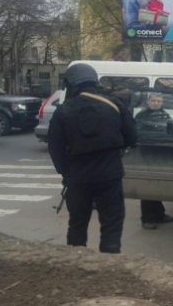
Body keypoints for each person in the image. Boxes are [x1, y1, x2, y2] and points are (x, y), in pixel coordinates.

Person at [48, 63, 137, 254]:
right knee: (111, 224)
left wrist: (67, 173)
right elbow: (133, 138)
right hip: (109, 175)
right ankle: (109, 266)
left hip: (78, 178)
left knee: (77, 225)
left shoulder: (62, 111)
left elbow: (55, 149)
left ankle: (76, 265)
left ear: (72, 84)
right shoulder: (114, 104)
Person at [134, 93, 173, 230]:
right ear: (148, 102)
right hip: (147, 154)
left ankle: (159, 214)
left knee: (159, 186)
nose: (156, 103)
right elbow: (137, 133)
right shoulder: (141, 116)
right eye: (154, 100)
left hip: (161, 153)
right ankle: (146, 218)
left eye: (159, 101)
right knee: (148, 188)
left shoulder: (165, 115)